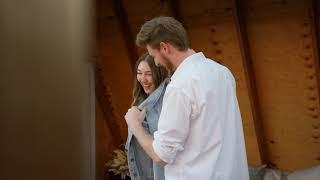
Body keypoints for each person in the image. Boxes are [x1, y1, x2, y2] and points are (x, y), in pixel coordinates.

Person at [125, 16, 249, 180]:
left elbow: (162, 155)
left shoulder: (179, 86)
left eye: (154, 56)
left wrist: (135, 125)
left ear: (164, 47)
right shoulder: (222, 72)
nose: (155, 63)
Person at [126, 53, 169, 180]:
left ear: (159, 73)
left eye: (149, 74)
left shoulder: (166, 101)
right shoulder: (142, 101)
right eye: (139, 73)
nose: (143, 79)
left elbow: (162, 151)